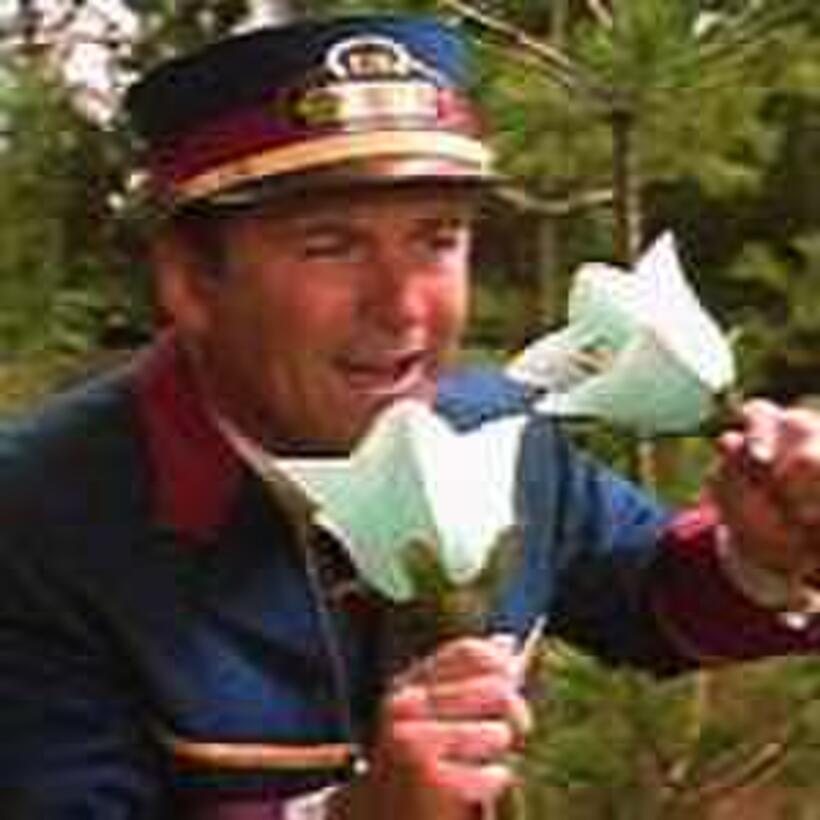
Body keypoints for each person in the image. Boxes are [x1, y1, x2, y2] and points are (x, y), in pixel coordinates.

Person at [0, 12, 818, 819]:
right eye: (331, 246)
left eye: (437, 239)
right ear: (189, 282)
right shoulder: (39, 520)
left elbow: (647, 597)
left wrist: (766, 551)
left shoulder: (497, 430)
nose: (402, 307)